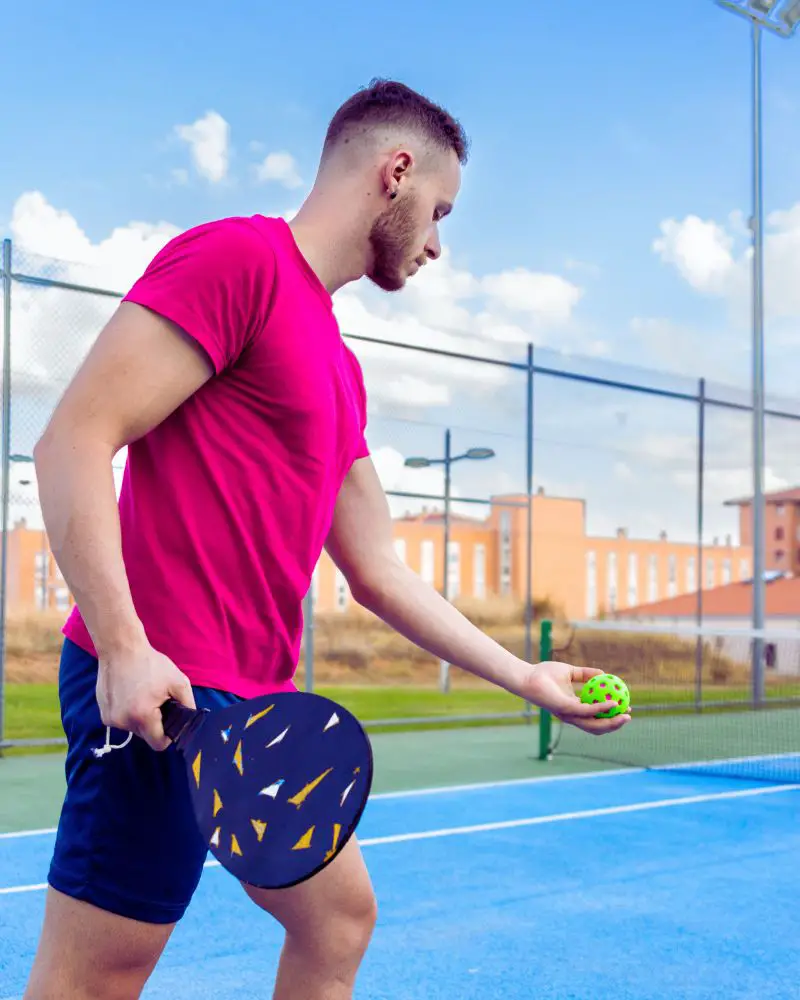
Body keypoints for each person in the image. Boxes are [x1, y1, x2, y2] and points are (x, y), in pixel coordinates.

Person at [24, 78, 631, 1000]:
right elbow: (72, 438)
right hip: (162, 697)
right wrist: (125, 647)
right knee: (97, 977)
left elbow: (380, 570)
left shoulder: (340, 368)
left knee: (339, 918)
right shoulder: (238, 261)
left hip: (255, 711)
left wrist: (525, 676)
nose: (438, 243)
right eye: (439, 212)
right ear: (396, 172)